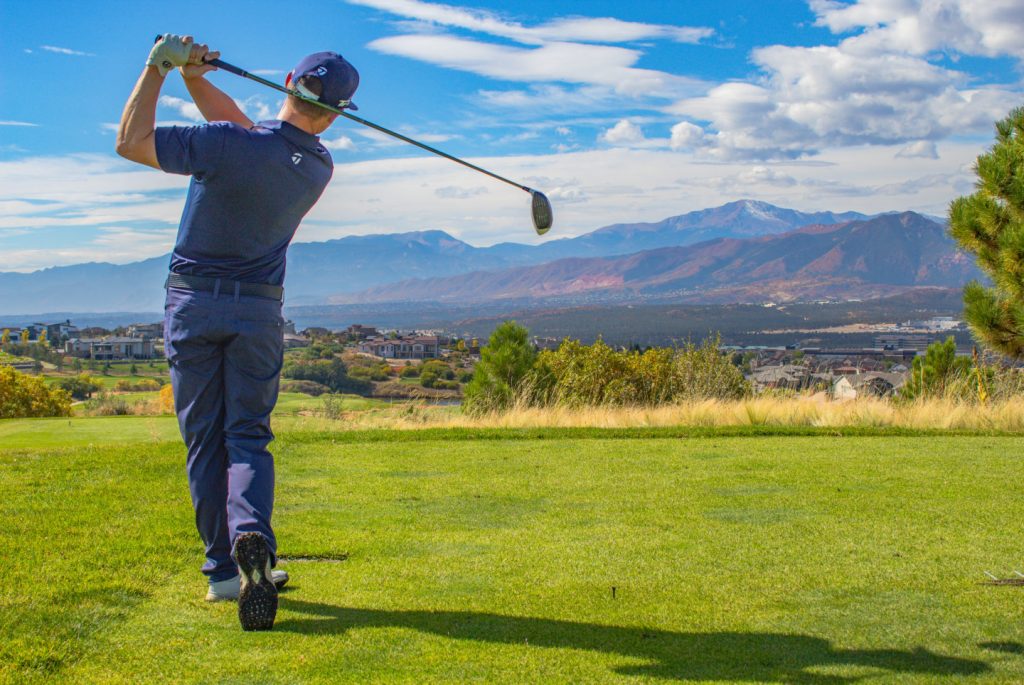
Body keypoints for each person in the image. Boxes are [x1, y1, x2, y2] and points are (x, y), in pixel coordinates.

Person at [116, 34, 359, 631]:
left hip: (194, 306)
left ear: (285, 83)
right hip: (258, 314)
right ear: (335, 115)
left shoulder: (224, 145)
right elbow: (256, 139)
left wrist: (158, 69)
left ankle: (223, 572)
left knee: (206, 443)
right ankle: (252, 535)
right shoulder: (318, 167)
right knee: (247, 437)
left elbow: (130, 142)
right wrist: (197, 81)